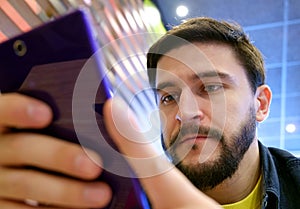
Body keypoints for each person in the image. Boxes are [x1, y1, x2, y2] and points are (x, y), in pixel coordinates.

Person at [0, 17, 299, 209]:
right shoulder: (122, 196)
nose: (185, 113)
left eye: (210, 87)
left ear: (260, 104)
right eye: (168, 97)